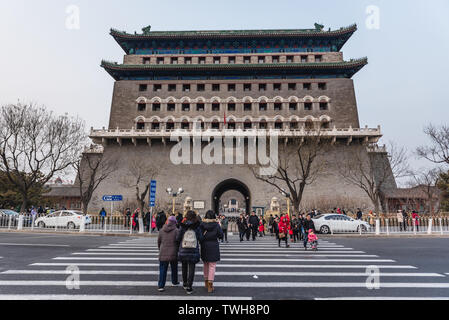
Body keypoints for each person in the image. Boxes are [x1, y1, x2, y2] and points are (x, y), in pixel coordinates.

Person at [176, 211, 204, 295]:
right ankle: (189, 286)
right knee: (192, 268)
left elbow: (178, 238)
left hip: (183, 249)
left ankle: (184, 283)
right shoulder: (197, 227)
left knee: (184, 266)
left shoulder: (182, 226)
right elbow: (201, 238)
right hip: (193, 250)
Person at [200, 210, 223, 293]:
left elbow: (199, 235)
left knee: (205, 264)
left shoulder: (202, 224)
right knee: (212, 265)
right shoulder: (216, 225)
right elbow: (221, 235)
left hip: (204, 246)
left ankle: (206, 282)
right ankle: (210, 284)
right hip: (213, 246)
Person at [157, 216, 180, 292]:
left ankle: (161, 286)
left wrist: (160, 249)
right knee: (174, 268)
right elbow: (178, 242)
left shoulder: (161, 230)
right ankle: (174, 281)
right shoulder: (176, 230)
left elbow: (159, 242)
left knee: (163, 269)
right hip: (173, 252)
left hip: (163, 251)